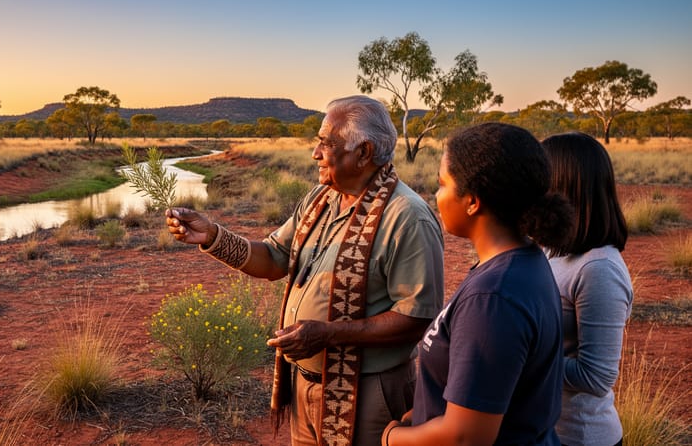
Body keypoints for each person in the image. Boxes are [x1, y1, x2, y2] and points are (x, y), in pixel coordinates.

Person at [165, 95, 445, 446]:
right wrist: (214, 236)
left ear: (364, 153)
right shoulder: (320, 199)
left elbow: (418, 317)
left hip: (368, 393)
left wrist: (328, 334)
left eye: (326, 144)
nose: (315, 153)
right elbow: (273, 258)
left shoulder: (406, 217)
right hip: (305, 387)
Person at [382, 122, 572, 445]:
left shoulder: (493, 297)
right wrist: (427, 411)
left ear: (472, 201)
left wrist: (393, 438)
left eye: (442, 184)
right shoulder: (524, 262)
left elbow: (465, 436)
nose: (436, 195)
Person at [540, 132, 633, 446]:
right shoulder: (552, 250)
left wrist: (521, 358)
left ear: (564, 186)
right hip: (543, 430)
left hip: (579, 436)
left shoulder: (599, 268)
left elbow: (596, 377)